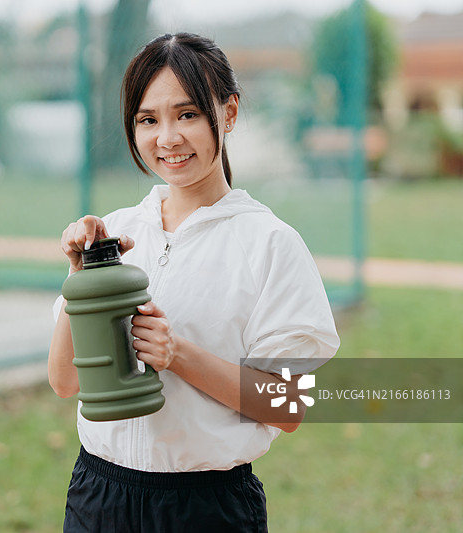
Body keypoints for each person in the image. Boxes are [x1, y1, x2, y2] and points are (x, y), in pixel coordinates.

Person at [48, 33, 340, 532]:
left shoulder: (269, 243)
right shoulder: (119, 232)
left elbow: (287, 408)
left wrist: (177, 355)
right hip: (97, 496)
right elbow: (65, 381)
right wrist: (82, 277)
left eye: (187, 115)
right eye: (148, 120)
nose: (167, 138)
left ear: (227, 114)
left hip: (205, 508)